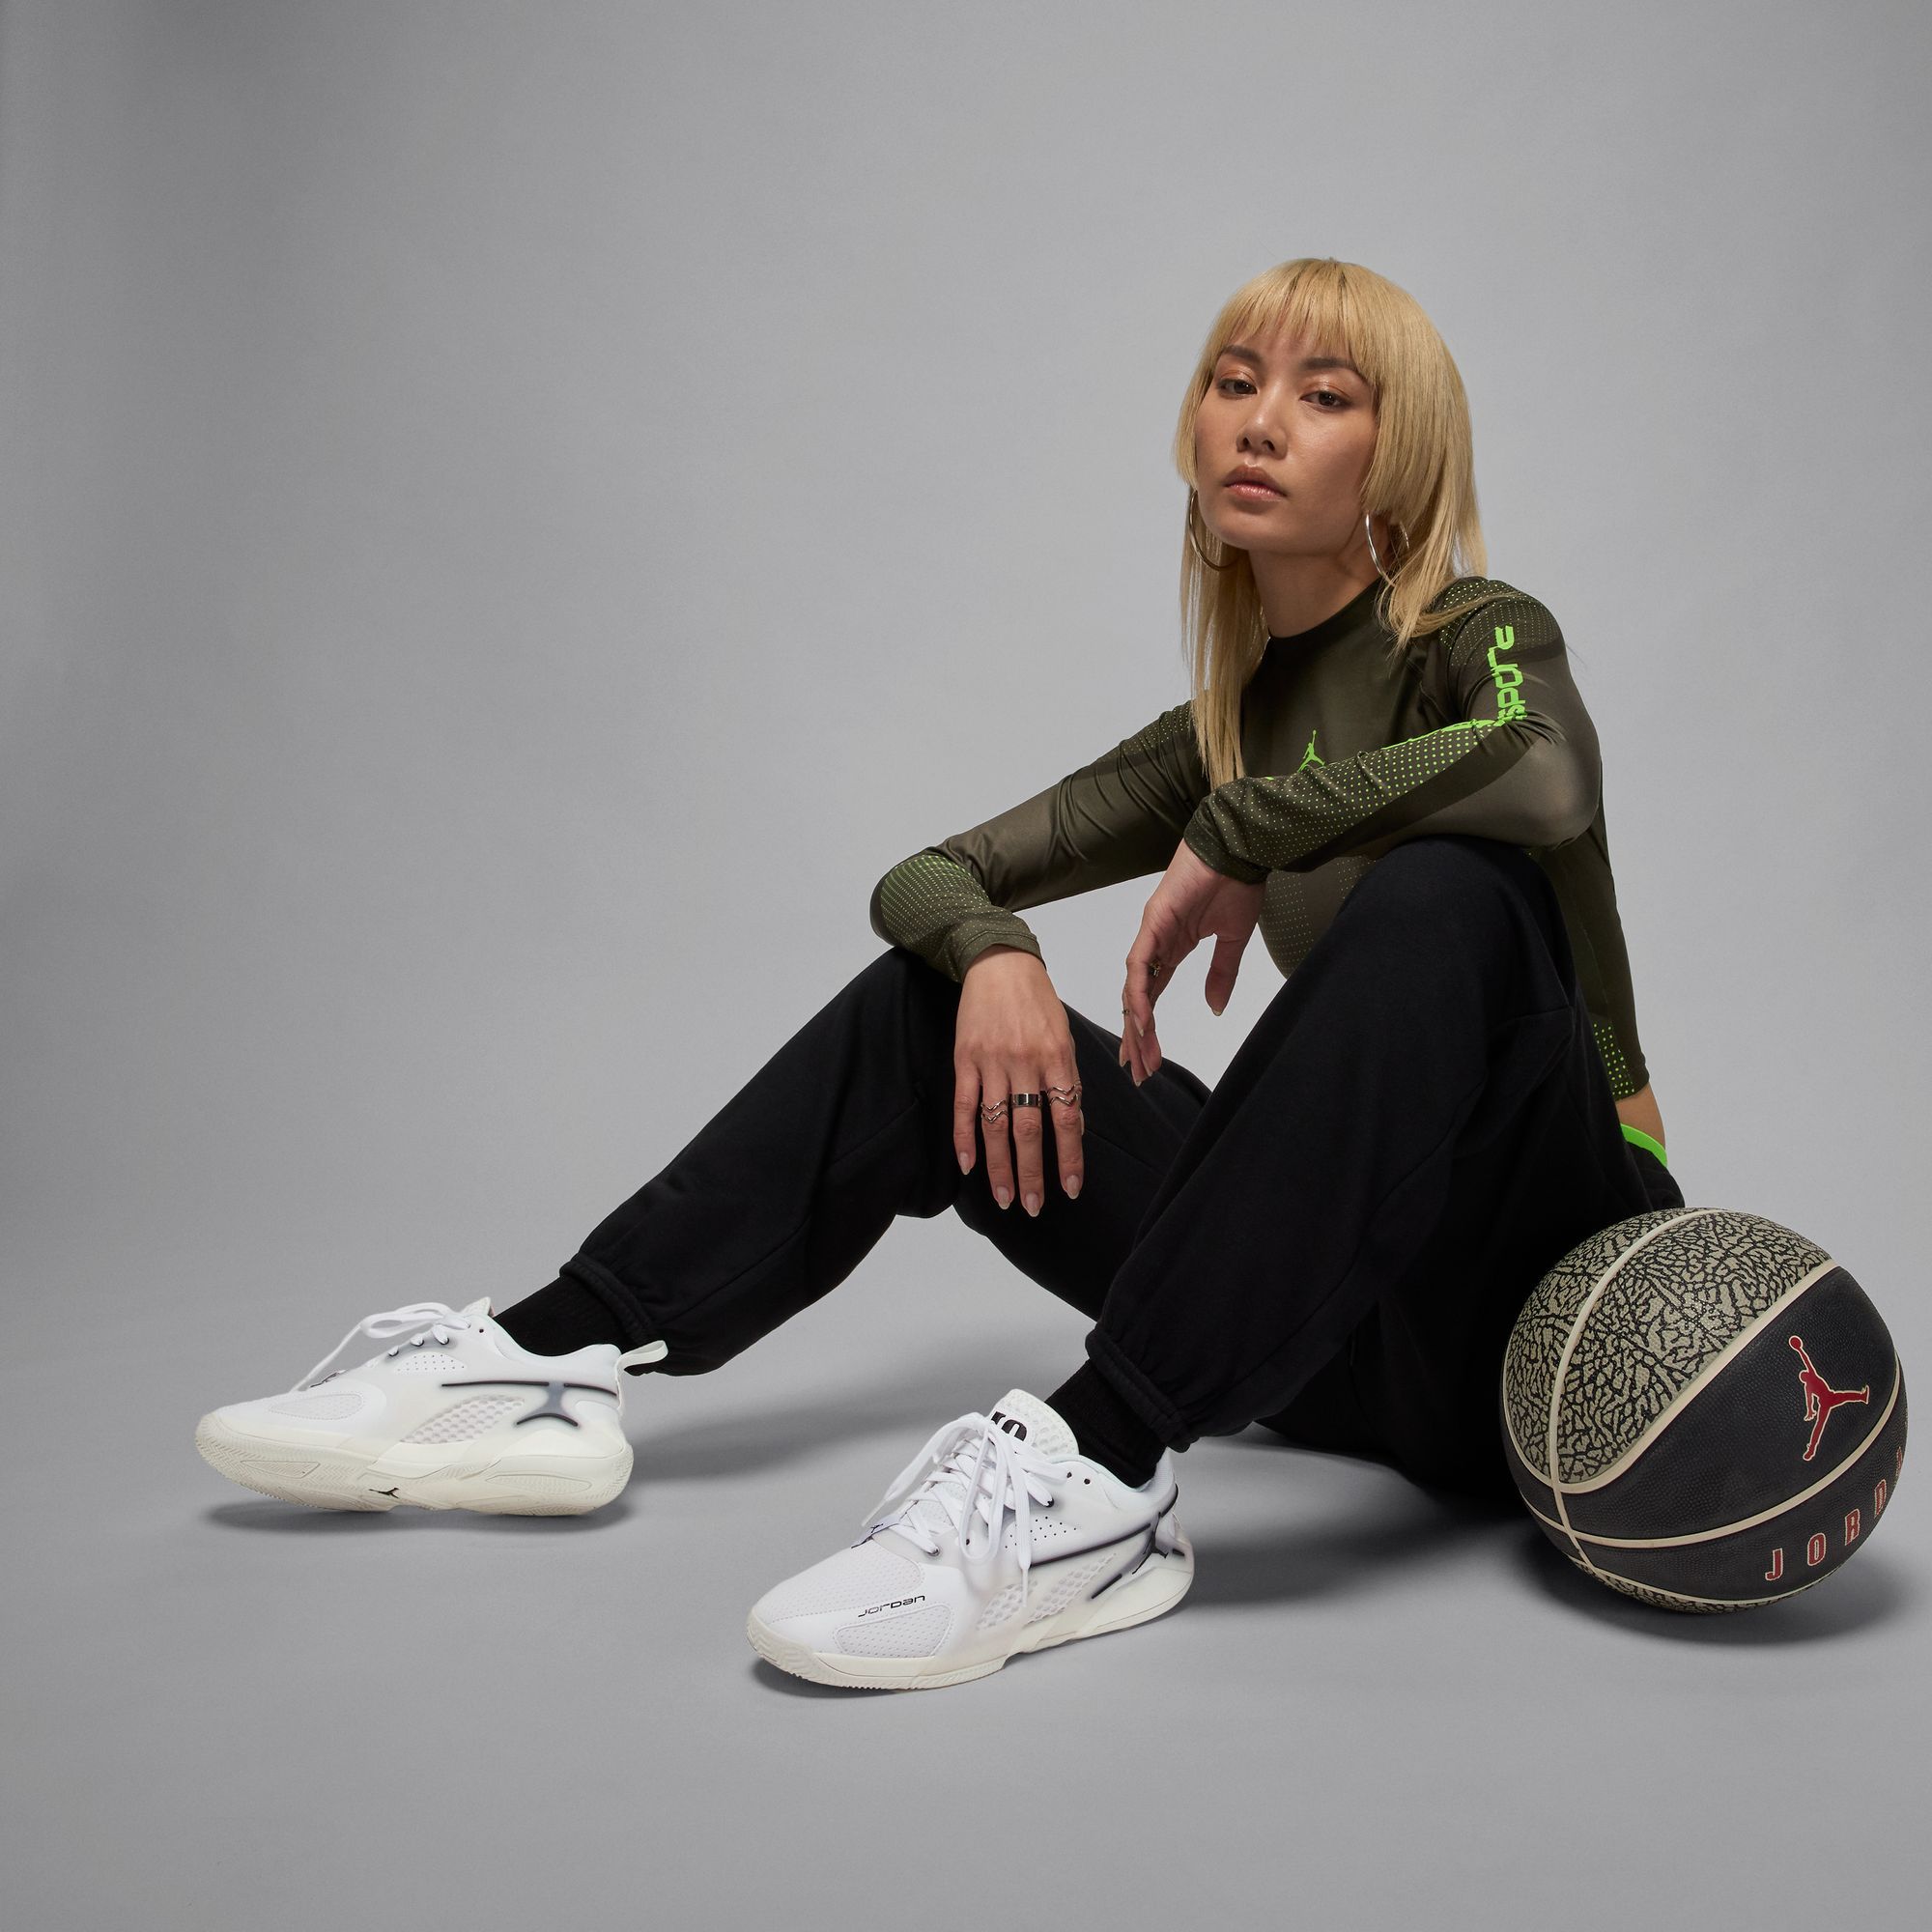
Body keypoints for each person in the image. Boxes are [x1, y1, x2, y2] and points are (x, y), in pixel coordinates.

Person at [194, 256, 1682, 1691]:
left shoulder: (1481, 636)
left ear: (1401, 453)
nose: (1262, 421)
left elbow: (1546, 772)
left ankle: (1100, 1473)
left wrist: (1250, 826)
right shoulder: (1229, 724)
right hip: (1341, 1334)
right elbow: (927, 876)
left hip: (1566, 1311)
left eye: (1326, 394)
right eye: (1235, 382)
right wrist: (993, 953)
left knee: (1455, 893)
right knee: (930, 1006)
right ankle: (544, 1363)